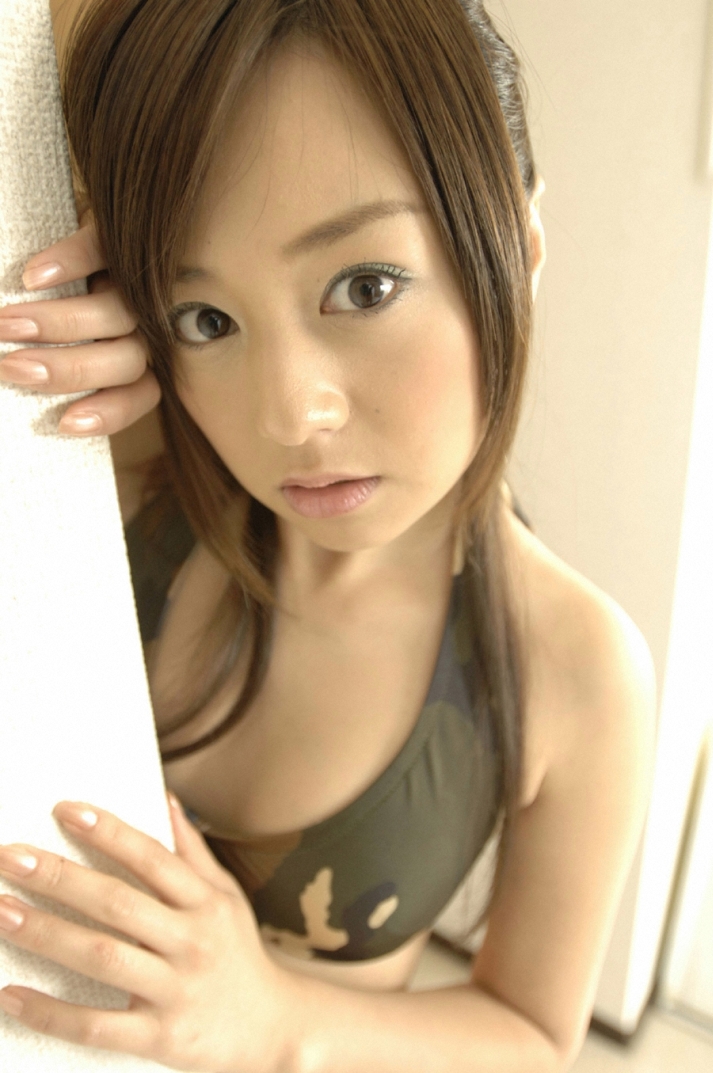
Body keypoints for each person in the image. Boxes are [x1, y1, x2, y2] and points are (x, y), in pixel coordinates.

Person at [0, 1, 656, 1070]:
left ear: (521, 244)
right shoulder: (125, 457)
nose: (287, 413)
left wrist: (269, 1015)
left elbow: (533, 1033)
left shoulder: (575, 667)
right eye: (209, 317)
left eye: (363, 287)